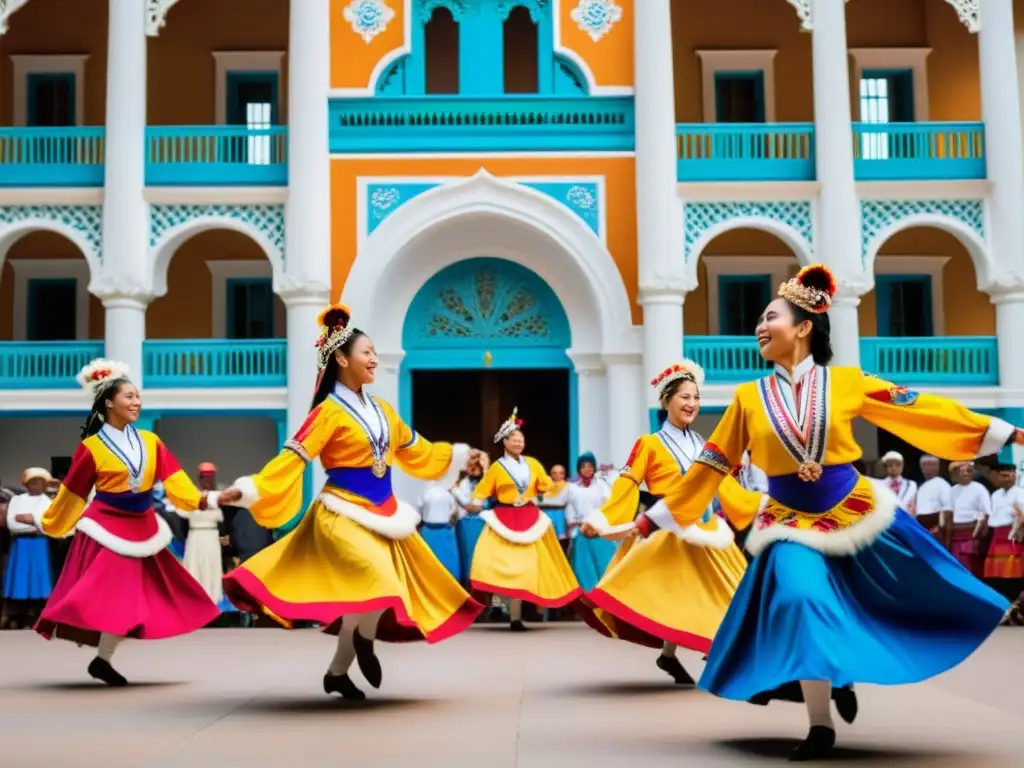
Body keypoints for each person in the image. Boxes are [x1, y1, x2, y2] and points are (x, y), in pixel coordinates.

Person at [630, 265, 1012, 761]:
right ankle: (819, 722)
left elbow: (917, 408)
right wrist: (650, 519)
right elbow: (711, 463)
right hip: (789, 520)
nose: (759, 328)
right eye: (758, 321)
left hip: (853, 508)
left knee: (912, 586)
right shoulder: (748, 397)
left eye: (770, 317)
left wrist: (1006, 433)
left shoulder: (848, 383)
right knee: (800, 598)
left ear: (804, 326)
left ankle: (845, 674)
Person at [219, 304, 483, 700]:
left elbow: (418, 452)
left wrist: (461, 456)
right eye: (367, 352)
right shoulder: (326, 412)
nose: (374, 358)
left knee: (381, 584)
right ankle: (364, 640)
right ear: (342, 358)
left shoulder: (384, 412)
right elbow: (294, 457)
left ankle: (340, 668)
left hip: (385, 512)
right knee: (374, 575)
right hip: (341, 511)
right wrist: (253, 488)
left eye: (375, 352)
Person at [34, 360, 220, 686]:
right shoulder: (91, 448)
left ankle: (102, 661)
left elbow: (176, 481)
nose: (136, 402)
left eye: (138, 397)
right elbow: (72, 494)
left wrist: (206, 500)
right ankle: (91, 639)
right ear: (109, 402)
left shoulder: (151, 442)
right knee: (111, 595)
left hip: (143, 526)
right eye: (129, 396)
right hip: (105, 528)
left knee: (145, 596)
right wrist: (46, 520)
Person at [577, 361, 757, 684]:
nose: (691, 404)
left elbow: (725, 487)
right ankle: (707, 654)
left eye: (695, 398)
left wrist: (763, 507)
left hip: (704, 529)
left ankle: (672, 655)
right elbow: (627, 484)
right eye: (684, 397)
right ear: (667, 401)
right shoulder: (649, 444)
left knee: (730, 592)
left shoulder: (706, 446)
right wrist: (603, 519)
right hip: (667, 528)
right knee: (674, 593)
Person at [464, 408, 581, 631]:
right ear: (505, 442)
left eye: (521, 440)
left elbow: (547, 485)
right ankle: (505, 611)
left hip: (528, 515)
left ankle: (520, 615)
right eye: (514, 439)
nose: (518, 443)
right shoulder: (497, 467)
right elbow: (482, 491)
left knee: (528, 566)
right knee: (495, 563)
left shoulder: (533, 465)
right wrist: (475, 503)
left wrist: (564, 488)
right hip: (504, 517)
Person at [173, 463, 231, 612]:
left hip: (212, 537)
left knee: (211, 567)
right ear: (199, 479)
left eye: (211, 478)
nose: (208, 481)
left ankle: (212, 602)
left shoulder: (221, 497)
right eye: (205, 478)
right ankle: (194, 602)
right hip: (195, 537)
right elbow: (183, 524)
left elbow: (226, 522)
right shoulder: (191, 497)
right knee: (194, 568)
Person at [3, 468, 54, 629]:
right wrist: (32, 521)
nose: (35, 486)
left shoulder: (47, 502)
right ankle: (18, 614)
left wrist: (30, 520)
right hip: (20, 544)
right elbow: (12, 524)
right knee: (19, 577)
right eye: (31, 482)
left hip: (39, 544)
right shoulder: (17, 500)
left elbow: (45, 525)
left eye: (38, 482)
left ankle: (37, 613)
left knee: (38, 577)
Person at [561, 453, 615, 593]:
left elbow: (609, 506)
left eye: (590, 466)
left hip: (600, 531)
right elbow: (570, 509)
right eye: (583, 466)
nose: (587, 469)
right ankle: (590, 599)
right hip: (582, 531)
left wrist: (599, 522)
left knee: (605, 563)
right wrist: (574, 523)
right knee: (583, 567)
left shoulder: (602, 486)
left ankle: (607, 599)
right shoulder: (573, 488)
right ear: (579, 469)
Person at [983, 463, 1024, 601]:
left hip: (1013, 534)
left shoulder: (1020, 493)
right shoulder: (995, 495)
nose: (1008, 478)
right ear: (998, 476)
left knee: (1013, 573)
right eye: (1005, 475)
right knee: (996, 574)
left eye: (1012, 475)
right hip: (996, 535)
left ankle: (1014, 603)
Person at [948, 460, 991, 575]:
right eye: (962, 471)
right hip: (955, 535)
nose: (966, 474)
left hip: (972, 534)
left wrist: (979, 539)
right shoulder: (952, 491)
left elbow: (985, 514)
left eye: (968, 471)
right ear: (955, 475)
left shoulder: (979, 489)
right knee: (957, 570)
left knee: (972, 570)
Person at [417, 480, 462, 582]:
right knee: (449, 563)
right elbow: (454, 511)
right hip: (444, 530)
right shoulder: (447, 494)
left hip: (430, 529)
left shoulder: (426, 493)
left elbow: (420, 508)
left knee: (429, 564)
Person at [914, 454, 952, 534]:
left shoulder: (942, 484)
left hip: (936, 526)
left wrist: (939, 527)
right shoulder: (921, 487)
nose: (927, 467)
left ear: (937, 467)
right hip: (921, 526)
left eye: (931, 464)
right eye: (925, 464)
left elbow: (948, 509)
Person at [881, 450, 918, 514]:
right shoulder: (880, 485)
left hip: (905, 519)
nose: (894, 468)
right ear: (885, 467)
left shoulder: (911, 484)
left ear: (902, 465)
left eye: (898, 465)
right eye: (890, 465)